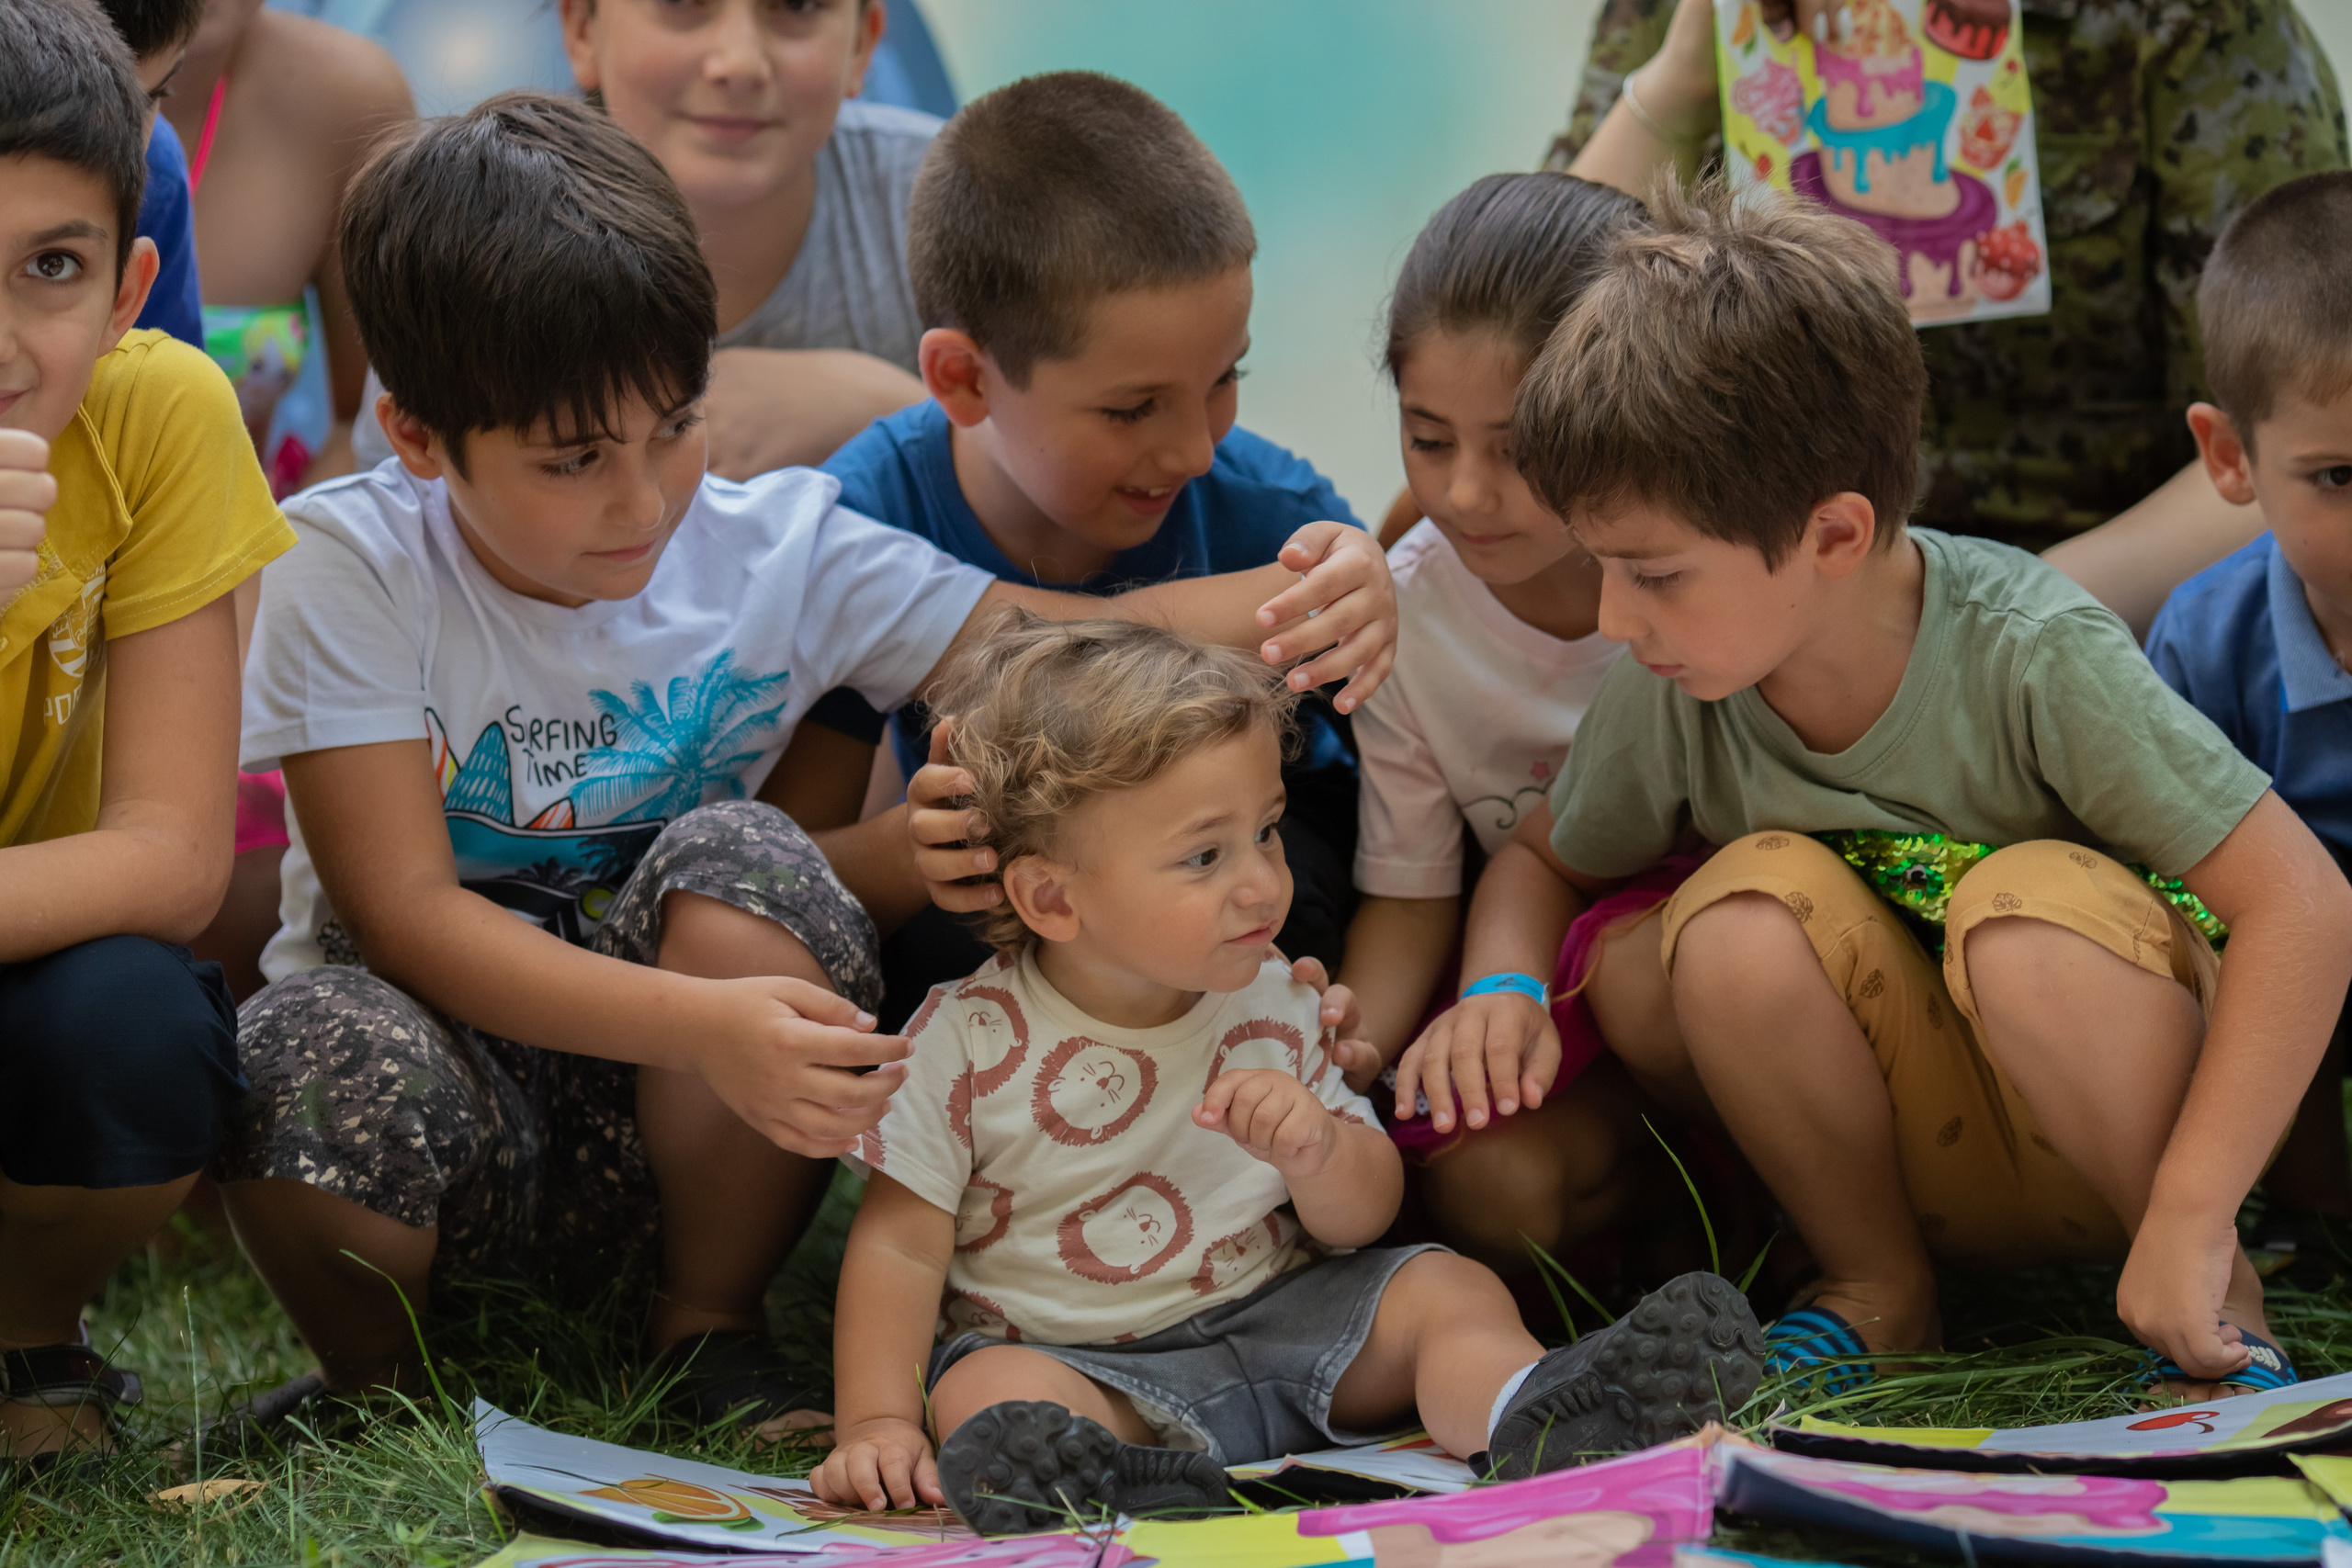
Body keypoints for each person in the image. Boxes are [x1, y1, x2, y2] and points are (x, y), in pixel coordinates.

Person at [215, 93, 1397, 1432]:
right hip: (445, 1098)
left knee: (741, 857)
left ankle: (707, 1328)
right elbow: (405, 917)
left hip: (693, 1132)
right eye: (572, 459)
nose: (642, 498)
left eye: (675, 423)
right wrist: (705, 1023)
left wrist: (1335, 578)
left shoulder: (787, 546)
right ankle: (384, 1377)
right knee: (294, 1041)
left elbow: (1061, 638)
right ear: (418, 436)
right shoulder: (349, 562)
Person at [1418, 175, 2351, 1402]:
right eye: (1603, 568)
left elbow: (2306, 904)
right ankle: (1874, 1287)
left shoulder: (2031, 648)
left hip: (2127, 1121)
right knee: (1734, 916)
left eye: (1652, 573)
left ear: (1835, 536)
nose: (1611, 617)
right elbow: (1548, 856)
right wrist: (1498, 981)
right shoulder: (1676, 687)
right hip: (1920, 1145)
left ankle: (2212, 1288)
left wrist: (2192, 1207)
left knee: (2024, 917)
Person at [811, 614, 1764, 1530]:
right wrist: (880, 1425)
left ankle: (1540, 1408)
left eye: (1265, 830)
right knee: (985, 1390)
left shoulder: (1271, 992)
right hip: (1082, 1363)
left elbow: (1366, 1215)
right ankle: (1117, 1480)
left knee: (1445, 1293)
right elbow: (898, 1248)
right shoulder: (966, 1042)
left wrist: (1319, 1152)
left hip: (1298, 1320)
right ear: (1052, 898)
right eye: (1203, 855)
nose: (1263, 882)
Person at [820, 72, 1372, 1020]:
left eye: (1224, 378)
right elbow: (794, 865)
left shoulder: (1280, 520)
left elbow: (1416, 830)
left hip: (1261, 916)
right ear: (963, 379)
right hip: (1001, 926)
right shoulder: (860, 523)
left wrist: (1371, 587)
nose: (1196, 448)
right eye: (1132, 408)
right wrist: (914, 847)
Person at [1545, 0, 2348, 637]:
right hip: (1742, 620)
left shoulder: (2188, 19)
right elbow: (1528, 361)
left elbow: (2299, 434)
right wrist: (1682, 76)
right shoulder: (1676, 14)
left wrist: (1998, 627)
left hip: (2103, 629)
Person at [0, 0, 294, 1460]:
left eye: (46, 269)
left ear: (126, 290)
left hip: (29, 946)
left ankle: (21, 1332)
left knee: (137, 1029)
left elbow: (176, 857)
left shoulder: (166, 415)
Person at [1330, 169, 1677, 1278]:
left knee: (1657, 964)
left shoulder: (1706, 571)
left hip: (1731, 979)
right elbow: (1408, 889)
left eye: (1517, 449)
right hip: (1533, 993)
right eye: (1428, 440)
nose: (1468, 495)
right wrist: (1341, 1056)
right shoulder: (1405, 618)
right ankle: (1689, 1257)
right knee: (1489, 1184)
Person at [2144, 171, 2352, 1271]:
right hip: (2283, 955)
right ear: (2229, 458)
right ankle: (2305, 1208)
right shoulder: (2203, 643)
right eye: (2340, 476)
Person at [102, 0, 206, 350]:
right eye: (83, 96)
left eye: (153, 96)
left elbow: (159, 381)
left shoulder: (157, 174)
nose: (125, 148)